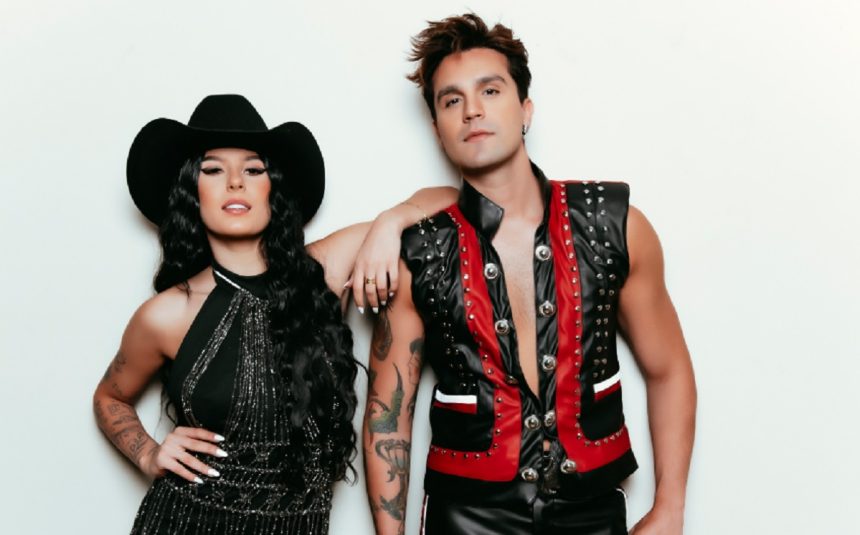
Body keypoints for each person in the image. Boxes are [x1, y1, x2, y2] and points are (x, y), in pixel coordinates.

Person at [363, 14, 697, 535]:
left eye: (490, 90)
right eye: (451, 100)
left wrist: (671, 507)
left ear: (525, 109)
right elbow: (389, 415)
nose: (472, 110)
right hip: (466, 516)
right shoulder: (415, 251)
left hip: (591, 511)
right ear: (437, 129)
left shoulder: (613, 224)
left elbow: (668, 368)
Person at [92, 94, 455, 534]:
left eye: (253, 169)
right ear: (192, 191)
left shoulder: (322, 272)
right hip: (186, 521)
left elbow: (450, 198)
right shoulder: (167, 313)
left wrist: (388, 225)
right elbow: (109, 398)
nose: (235, 183)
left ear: (273, 188)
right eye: (213, 170)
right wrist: (148, 453)